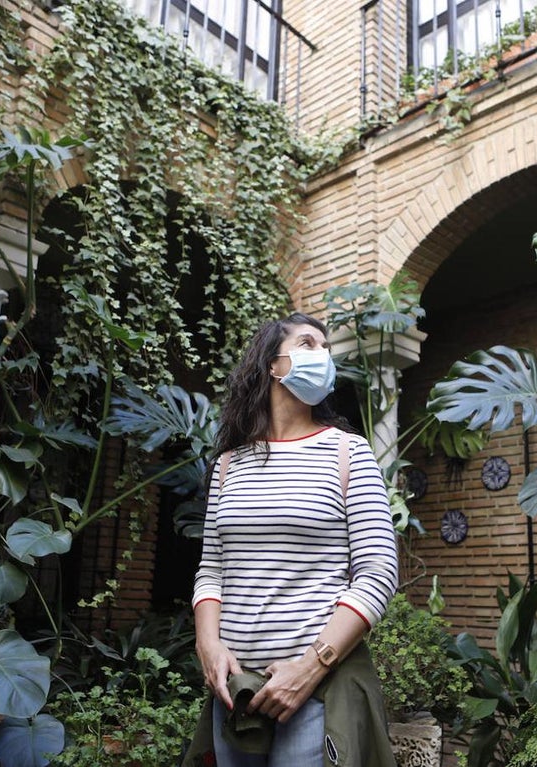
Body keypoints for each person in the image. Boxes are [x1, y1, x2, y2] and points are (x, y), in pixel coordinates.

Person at [185, 313, 400, 766]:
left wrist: (310, 667)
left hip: (314, 692)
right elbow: (212, 569)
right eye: (307, 344)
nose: (322, 355)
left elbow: (378, 572)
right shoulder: (228, 465)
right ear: (272, 364)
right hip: (236, 692)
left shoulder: (348, 452)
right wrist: (208, 645)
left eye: (326, 348)